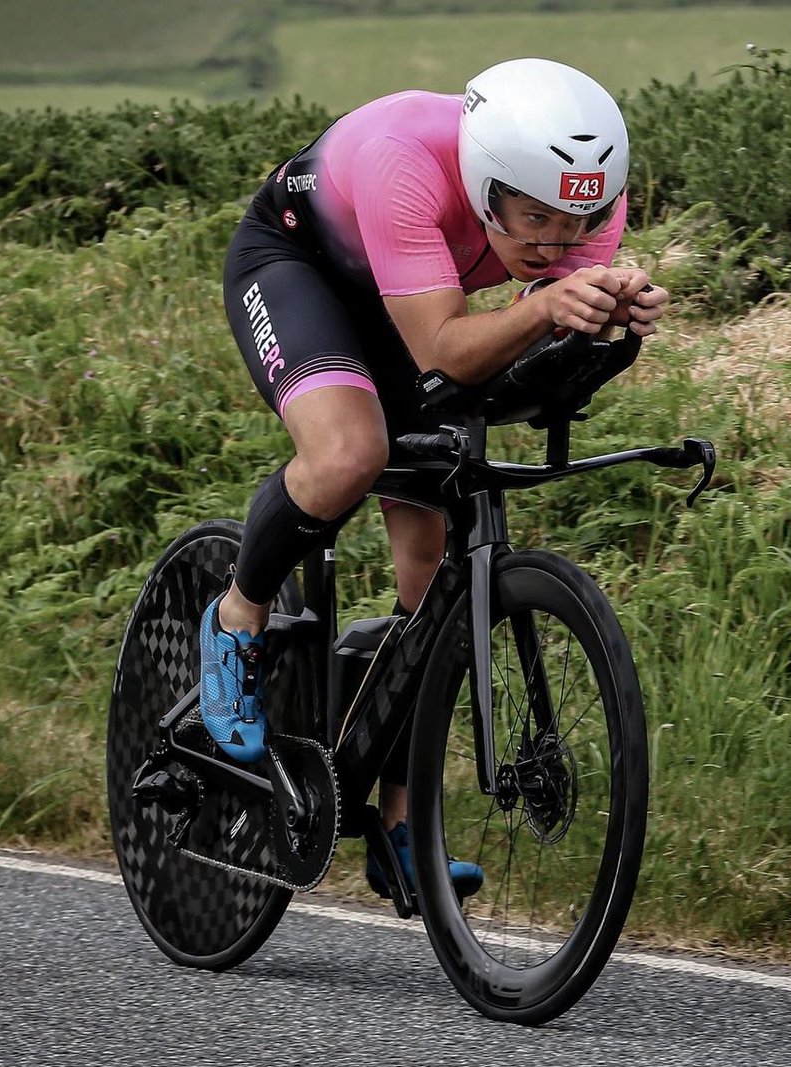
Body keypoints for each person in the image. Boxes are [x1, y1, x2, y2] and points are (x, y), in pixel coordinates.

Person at [199, 57, 670, 901]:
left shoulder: (580, 196)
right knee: (350, 453)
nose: (561, 243)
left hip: (422, 297)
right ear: (489, 187)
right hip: (305, 271)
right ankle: (236, 616)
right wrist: (541, 307)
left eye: (582, 222)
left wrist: (612, 332)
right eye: (535, 222)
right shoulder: (401, 162)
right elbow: (448, 351)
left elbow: (533, 368)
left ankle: (400, 821)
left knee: (434, 581)